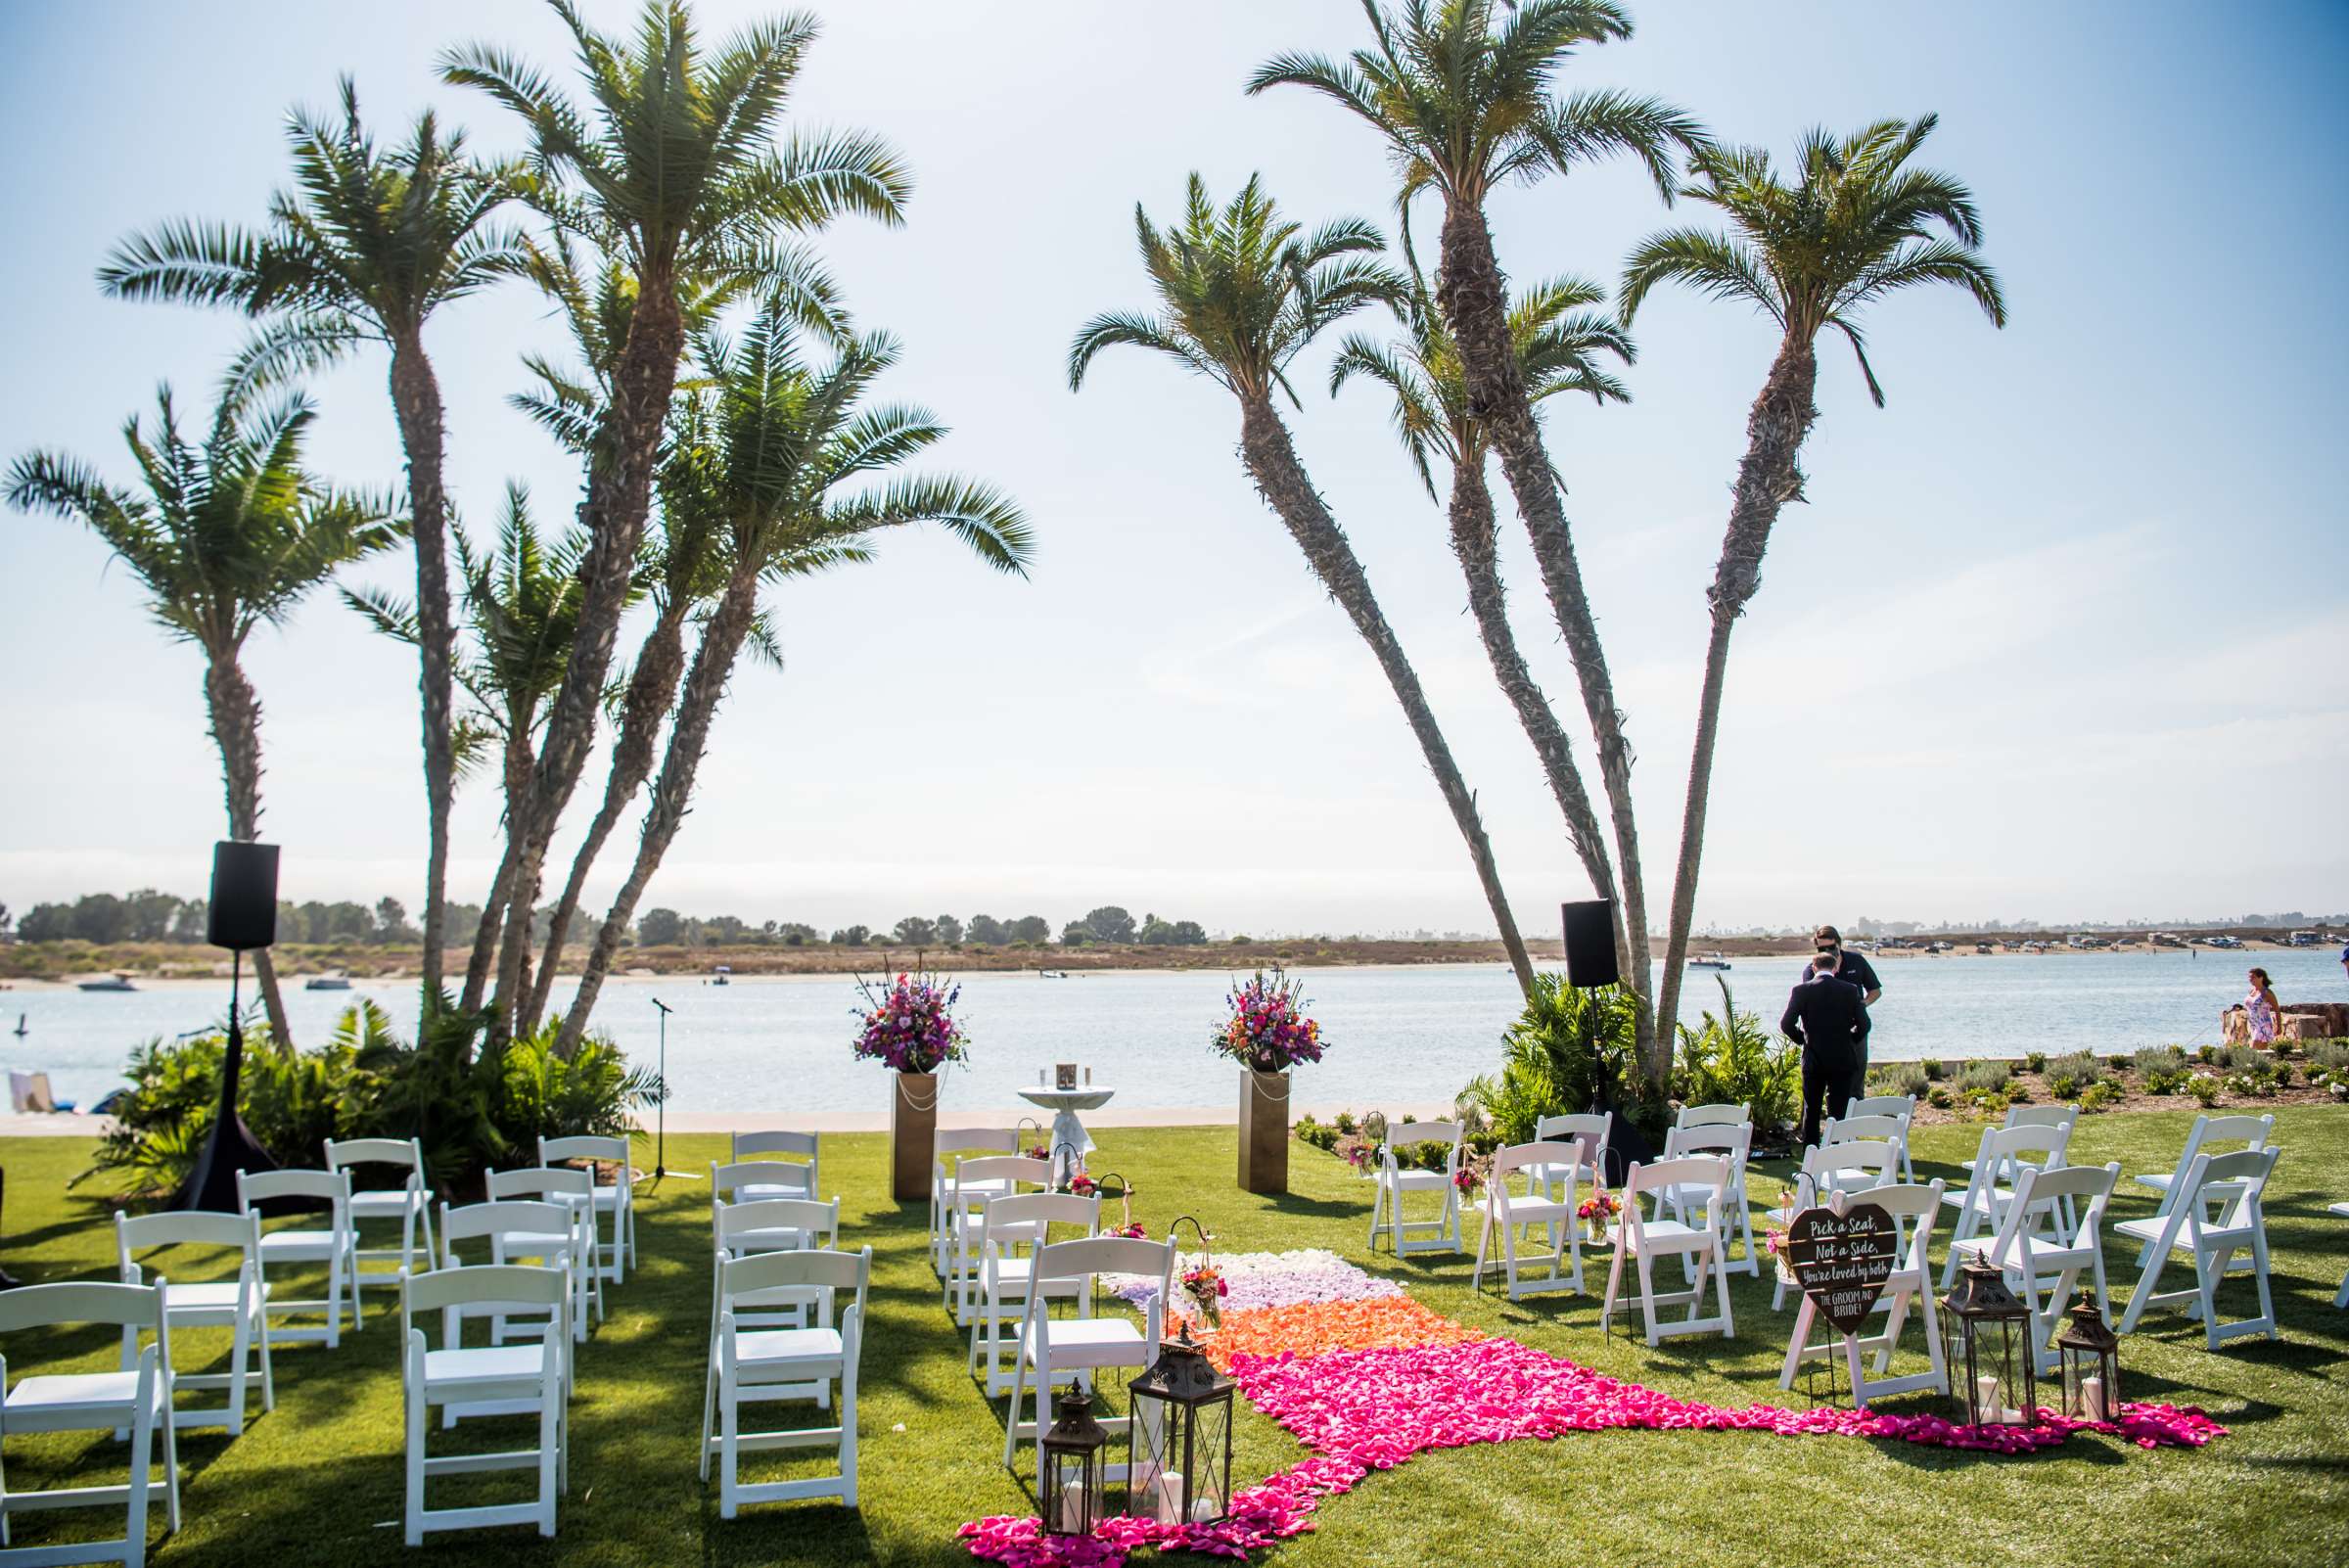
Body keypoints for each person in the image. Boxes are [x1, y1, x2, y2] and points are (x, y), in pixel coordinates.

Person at [1781, 963, 1871, 1148]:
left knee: (1811, 1108)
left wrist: (1803, 1040)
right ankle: (1837, 1151)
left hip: (1813, 1058)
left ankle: (1811, 1153)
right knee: (1839, 1109)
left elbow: (1786, 1024)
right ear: (1835, 968)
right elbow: (1864, 1024)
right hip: (1842, 1058)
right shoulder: (1849, 990)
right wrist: (1851, 1040)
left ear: (1814, 968)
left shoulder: (1801, 990)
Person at [1803, 925, 1881, 1005]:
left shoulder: (1857, 960)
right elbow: (1809, 1000)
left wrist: (1862, 1006)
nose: (1827, 951)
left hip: (1854, 1016)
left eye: (1831, 947)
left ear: (1839, 944)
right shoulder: (1812, 970)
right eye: (1822, 949)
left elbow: (1875, 991)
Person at [2244, 967, 2281, 1046]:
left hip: (2263, 1026)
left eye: (2253, 977)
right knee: (2260, 1054)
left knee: (2253, 1051)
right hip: (2253, 1026)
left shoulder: (2267, 993)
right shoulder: (2251, 991)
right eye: (2249, 977)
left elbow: (2277, 1010)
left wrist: (2279, 1027)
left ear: (2261, 978)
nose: (2250, 979)